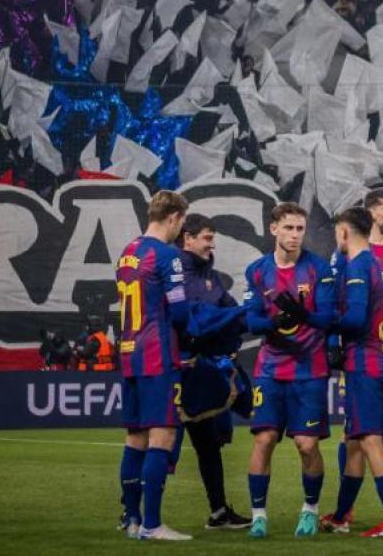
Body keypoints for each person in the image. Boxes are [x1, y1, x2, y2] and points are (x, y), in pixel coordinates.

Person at [242, 202, 336, 538]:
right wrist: (273, 321)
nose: (295, 235)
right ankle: (258, 517)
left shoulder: (319, 269)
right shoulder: (256, 270)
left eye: (300, 229)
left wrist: (302, 315)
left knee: (307, 445)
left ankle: (310, 509)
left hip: (310, 369)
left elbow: (327, 319)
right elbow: (250, 320)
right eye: (289, 228)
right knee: (264, 439)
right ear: (274, 229)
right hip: (270, 369)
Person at [113, 189, 193, 542]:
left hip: (129, 352)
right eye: (182, 222)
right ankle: (152, 524)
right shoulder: (168, 255)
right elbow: (177, 310)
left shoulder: (128, 252)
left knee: (135, 438)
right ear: (174, 217)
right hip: (157, 353)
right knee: (163, 435)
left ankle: (131, 519)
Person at [329, 207, 383, 537]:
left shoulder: (358, 265)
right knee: (353, 441)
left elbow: (354, 320)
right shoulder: (377, 265)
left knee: (370, 439)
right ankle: (340, 516)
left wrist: (320, 321)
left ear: (344, 233)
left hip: (366, 361)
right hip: (375, 359)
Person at [173, 213, 254, 530]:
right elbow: (200, 319)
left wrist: (264, 316)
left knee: (208, 445)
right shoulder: (177, 273)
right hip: (178, 373)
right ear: (188, 238)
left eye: (212, 237)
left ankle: (218, 512)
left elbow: (230, 310)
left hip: (204, 374)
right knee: (161, 443)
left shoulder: (210, 276)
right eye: (207, 237)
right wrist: (240, 314)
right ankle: (138, 516)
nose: (212, 243)